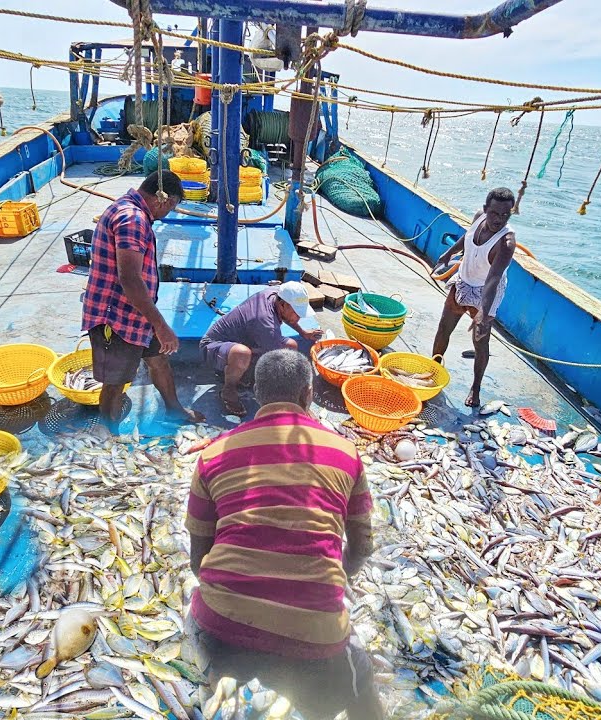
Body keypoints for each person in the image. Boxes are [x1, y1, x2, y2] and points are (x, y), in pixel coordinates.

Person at [183, 349, 382, 720]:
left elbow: (199, 560)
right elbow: (362, 546)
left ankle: (220, 685)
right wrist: (328, 583)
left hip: (220, 628)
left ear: (256, 393)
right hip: (316, 640)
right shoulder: (346, 452)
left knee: (201, 629)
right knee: (362, 683)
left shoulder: (212, 454)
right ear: (308, 395)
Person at [83, 170, 203, 425]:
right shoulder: (133, 219)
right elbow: (130, 279)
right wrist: (161, 325)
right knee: (116, 382)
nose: (167, 213)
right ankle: (108, 434)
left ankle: (174, 410)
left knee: (159, 360)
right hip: (117, 318)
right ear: (166, 200)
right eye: (171, 207)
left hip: (138, 314)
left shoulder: (127, 208)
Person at [430, 187, 518, 408]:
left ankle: (475, 387)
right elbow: (467, 238)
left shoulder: (506, 243)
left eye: (505, 215)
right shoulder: (479, 217)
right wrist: (449, 253)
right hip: (463, 280)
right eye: (495, 213)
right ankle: (433, 370)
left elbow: (493, 280)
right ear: (486, 209)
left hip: (486, 291)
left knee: (480, 342)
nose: (499, 219)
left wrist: (483, 312)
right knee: (443, 328)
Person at [200, 281, 323, 415]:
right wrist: (301, 399)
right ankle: (228, 390)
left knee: (290, 346)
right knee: (243, 354)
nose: (298, 317)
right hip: (213, 346)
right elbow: (277, 359)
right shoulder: (266, 323)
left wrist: (303, 332)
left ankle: (245, 375)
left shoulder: (277, 293)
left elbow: (288, 316)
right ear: (282, 304)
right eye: (297, 313)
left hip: (246, 338)